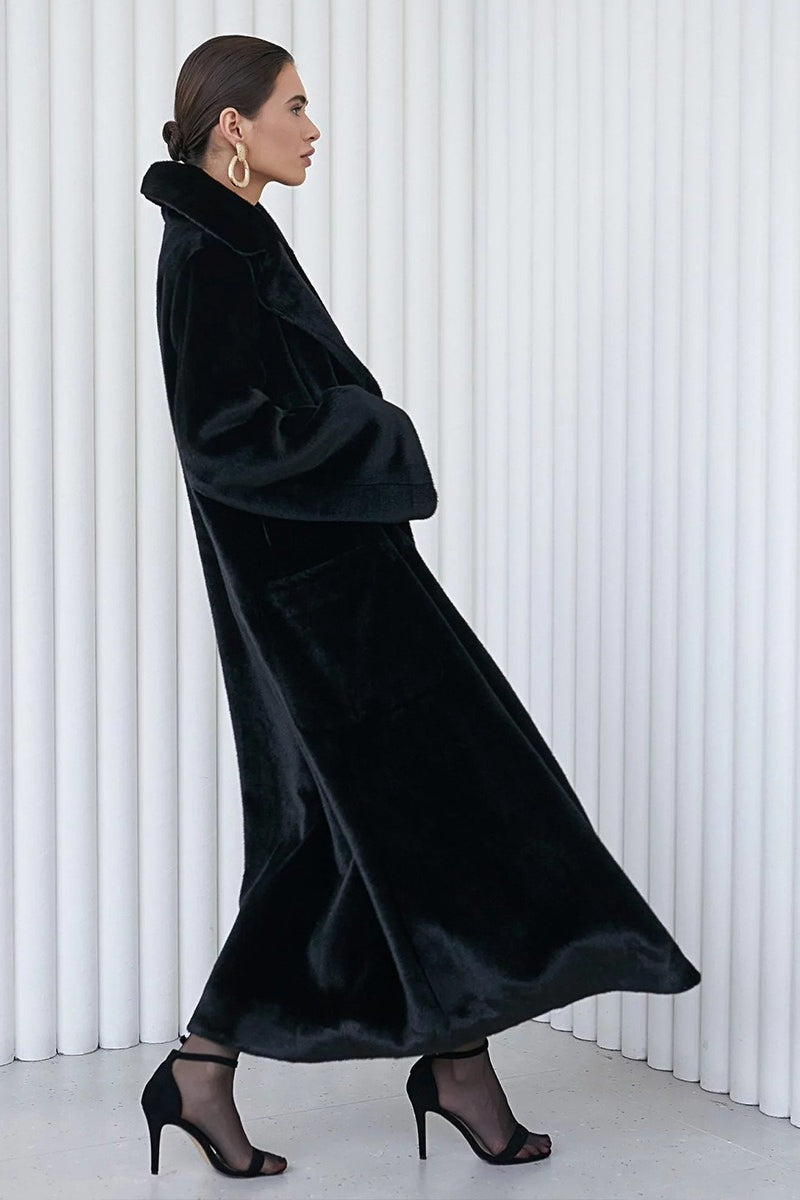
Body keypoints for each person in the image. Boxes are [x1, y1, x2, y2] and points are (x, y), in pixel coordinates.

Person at [139, 33, 700, 1180]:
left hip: (343, 585)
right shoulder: (208, 252)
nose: (312, 128)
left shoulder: (237, 237)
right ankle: (215, 1067)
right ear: (232, 124)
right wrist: (373, 425)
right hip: (313, 607)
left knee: (406, 819)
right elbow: (220, 439)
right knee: (373, 825)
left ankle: (447, 1066)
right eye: (294, 105)